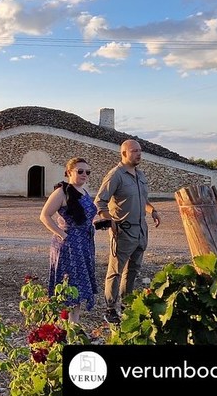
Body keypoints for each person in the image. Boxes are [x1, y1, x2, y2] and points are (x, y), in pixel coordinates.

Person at [94, 139, 161, 324]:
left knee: (133, 270)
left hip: (141, 230)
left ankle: (127, 305)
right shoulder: (116, 175)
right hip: (123, 231)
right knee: (115, 271)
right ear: (124, 153)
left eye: (140, 151)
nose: (139, 154)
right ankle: (110, 309)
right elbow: (100, 202)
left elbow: (143, 199)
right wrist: (110, 222)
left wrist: (152, 210)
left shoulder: (140, 175)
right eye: (134, 151)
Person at [39, 157, 98, 322]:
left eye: (87, 172)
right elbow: (45, 216)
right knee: (70, 284)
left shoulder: (84, 192)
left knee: (78, 283)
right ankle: (66, 325)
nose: (84, 174)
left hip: (84, 243)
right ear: (69, 172)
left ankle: (73, 324)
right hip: (68, 245)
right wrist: (62, 234)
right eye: (80, 171)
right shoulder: (61, 192)